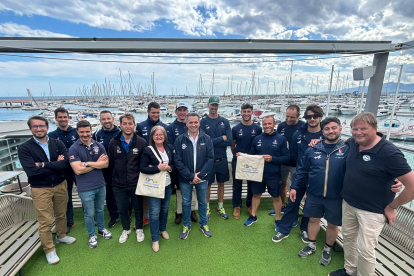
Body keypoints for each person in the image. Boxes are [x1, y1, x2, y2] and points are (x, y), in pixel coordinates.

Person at [329, 112, 414, 276]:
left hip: (372, 210)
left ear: (375, 128)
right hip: (349, 203)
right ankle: (350, 270)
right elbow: (344, 141)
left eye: (363, 128)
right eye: (355, 129)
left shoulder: (389, 153)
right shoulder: (353, 142)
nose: (358, 132)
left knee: (365, 249)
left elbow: (412, 186)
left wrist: (391, 207)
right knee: (348, 239)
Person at [288, 117, 348, 266]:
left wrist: (394, 180)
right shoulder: (313, 149)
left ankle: (327, 250)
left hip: (336, 197)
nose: (330, 131)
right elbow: (301, 171)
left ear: (340, 130)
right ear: (322, 131)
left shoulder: (348, 149)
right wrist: (294, 187)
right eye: (327, 129)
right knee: (313, 220)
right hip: (314, 194)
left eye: (334, 128)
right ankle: (311, 245)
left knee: (333, 225)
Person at [18, 115, 76, 265]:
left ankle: (61, 236)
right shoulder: (25, 148)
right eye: (35, 126)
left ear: (47, 127)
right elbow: (31, 171)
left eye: (41, 126)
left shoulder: (57, 143)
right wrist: (54, 165)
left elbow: (65, 164)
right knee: (45, 221)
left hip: (60, 184)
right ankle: (49, 250)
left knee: (61, 214)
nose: (39, 129)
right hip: (40, 188)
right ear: (30, 129)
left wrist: (42, 165)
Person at [273, 104, 324, 243]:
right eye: (309, 116)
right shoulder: (298, 134)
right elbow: (294, 154)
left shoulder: (325, 135)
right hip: (300, 173)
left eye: (315, 116)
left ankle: (305, 229)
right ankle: (284, 229)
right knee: (293, 201)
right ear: (305, 117)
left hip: (317, 175)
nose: (312, 119)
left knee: (310, 203)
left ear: (320, 117)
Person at [69, 120, 112, 248]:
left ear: (91, 131)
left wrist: (87, 163)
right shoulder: (74, 149)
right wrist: (96, 163)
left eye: (87, 131)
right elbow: (77, 169)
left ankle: (101, 229)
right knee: (89, 213)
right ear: (77, 132)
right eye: (82, 132)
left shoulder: (99, 145)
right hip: (85, 187)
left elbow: (105, 164)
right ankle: (92, 235)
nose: (85, 134)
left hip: (100, 184)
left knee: (100, 209)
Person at [243, 116, 290, 231]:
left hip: (273, 174)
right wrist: (242, 156)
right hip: (257, 174)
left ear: (274, 124)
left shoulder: (281, 139)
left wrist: (273, 159)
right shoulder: (257, 139)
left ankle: (278, 219)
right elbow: (251, 156)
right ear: (262, 125)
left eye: (269, 124)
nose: (267, 126)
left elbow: (287, 157)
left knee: (276, 196)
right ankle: (253, 216)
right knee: (256, 195)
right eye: (264, 124)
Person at [108, 113, 147, 244]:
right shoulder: (113, 142)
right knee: (122, 208)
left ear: (134, 125)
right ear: (120, 125)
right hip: (118, 183)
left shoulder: (141, 142)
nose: (127, 126)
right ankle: (126, 229)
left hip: (136, 182)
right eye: (124, 123)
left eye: (130, 123)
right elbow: (111, 163)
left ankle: (139, 228)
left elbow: (144, 163)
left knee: (138, 207)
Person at [174, 112, 214, 239]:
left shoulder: (207, 139)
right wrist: (191, 176)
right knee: (186, 203)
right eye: (190, 122)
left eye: (195, 122)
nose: (193, 125)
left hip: (202, 178)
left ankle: (204, 224)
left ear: (199, 123)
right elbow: (177, 161)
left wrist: (199, 176)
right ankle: (186, 225)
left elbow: (210, 159)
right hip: (185, 179)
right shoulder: (179, 140)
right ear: (186, 123)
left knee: (202, 202)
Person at [141, 125, 174, 252]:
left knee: (165, 209)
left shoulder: (169, 148)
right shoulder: (148, 150)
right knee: (154, 213)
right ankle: (155, 239)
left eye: (161, 134)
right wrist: (157, 168)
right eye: (156, 135)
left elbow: (173, 165)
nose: (159, 136)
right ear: (152, 137)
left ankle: (163, 229)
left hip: (167, 184)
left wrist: (169, 168)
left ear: (164, 136)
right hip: (154, 186)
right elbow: (143, 168)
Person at [200, 96, 232, 220]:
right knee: (207, 185)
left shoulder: (225, 121)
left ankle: (220, 205)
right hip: (208, 160)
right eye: (212, 105)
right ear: (208, 105)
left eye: (216, 105)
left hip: (222, 159)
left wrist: (214, 141)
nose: (214, 107)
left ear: (218, 106)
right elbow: (205, 142)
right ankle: (207, 207)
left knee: (221, 184)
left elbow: (229, 141)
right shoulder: (203, 122)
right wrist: (221, 138)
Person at [136, 102, 168, 225]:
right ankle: (146, 216)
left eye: (158, 113)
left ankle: (158, 215)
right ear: (148, 112)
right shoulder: (141, 126)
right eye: (153, 112)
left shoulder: (164, 126)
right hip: (146, 164)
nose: (155, 115)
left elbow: (166, 146)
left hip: (161, 166)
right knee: (146, 191)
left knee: (160, 190)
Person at [269, 105, 305, 216]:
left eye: (292, 117)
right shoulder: (281, 126)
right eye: (287, 116)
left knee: (295, 187)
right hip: (283, 162)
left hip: (297, 164)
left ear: (298, 116)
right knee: (282, 184)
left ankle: (293, 209)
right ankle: (282, 205)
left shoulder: (304, 126)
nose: (289, 119)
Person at [48, 107, 79, 234]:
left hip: (77, 168)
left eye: (65, 117)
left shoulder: (76, 132)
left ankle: (91, 217)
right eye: (60, 117)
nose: (63, 119)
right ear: (56, 118)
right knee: (67, 197)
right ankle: (69, 222)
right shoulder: (52, 136)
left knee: (85, 193)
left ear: (68, 118)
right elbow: (53, 155)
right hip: (63, 171)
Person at [166, 102, 198, 224]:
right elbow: (170, 147)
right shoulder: (171, 128)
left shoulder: (191, 125)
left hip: (192, 165)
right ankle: (179, 212)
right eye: (180, 110)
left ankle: (192, 210)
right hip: (177, 165)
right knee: (179, 189)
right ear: (176, 112)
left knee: (192, 188)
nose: (182, 112)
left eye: (184, 110)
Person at [231, 103, 262, 219]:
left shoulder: (258, 128)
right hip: (238, 160)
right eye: (244, 111)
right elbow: (232, 146)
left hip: (252, 161)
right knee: (237, 184)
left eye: (248, 111)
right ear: (241, 112)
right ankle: (237, 206)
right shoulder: (235, 128)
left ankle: (249, 205)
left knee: (251, 185)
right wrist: (238, 155)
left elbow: (260, 144)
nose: (246, 114)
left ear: (252, 112)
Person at [93, 110, 120, 228]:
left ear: (113, 119)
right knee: (109, 193)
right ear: (100, 121)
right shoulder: (97, 135)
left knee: (124, 192)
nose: (106, 121)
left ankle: (127, 213)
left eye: (108, 118)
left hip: (120, 168)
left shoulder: (120, 132)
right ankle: (114, 215)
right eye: (103, 119)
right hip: (105, 170)